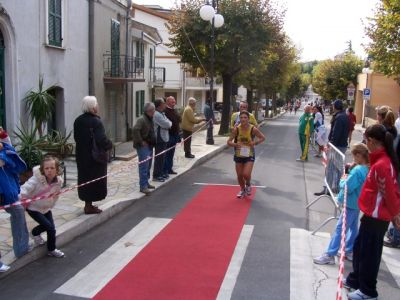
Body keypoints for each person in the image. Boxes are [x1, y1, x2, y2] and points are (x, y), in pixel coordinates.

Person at [344, 124, 400, 300]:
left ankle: (368, 291)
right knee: (360, 250)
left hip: (377, 217)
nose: (365, 144)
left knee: (369, 256)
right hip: (371, 215)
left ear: (372, 141)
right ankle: (356, 280)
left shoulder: (382, 164)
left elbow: (389, 193)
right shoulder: (379, 161)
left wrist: (396, 215)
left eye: (365, 140)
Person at [313, 144, 369, 265]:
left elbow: (346, 186)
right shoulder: (365, 169)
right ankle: (348, 250)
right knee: (353, 228)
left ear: (359, 156)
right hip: (356, 203)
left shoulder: (358, 170)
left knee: (340, 229)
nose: (353, 159)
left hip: (350, 203)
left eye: (354, 157)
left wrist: (343, 178)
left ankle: (330, 254)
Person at [74, 96, 113, 214]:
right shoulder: (96, 121)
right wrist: (109, 145)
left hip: (82, 156)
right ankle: (89, 207)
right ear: (92, 107)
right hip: (95, 158)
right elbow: (101, 139)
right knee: (95, 180)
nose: (98, 106)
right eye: (96, 104)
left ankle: (88, 204)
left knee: (85, 180)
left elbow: (77, 138)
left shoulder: (78, 120)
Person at [21, 156, 65, 258]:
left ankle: (51, 249)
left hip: (46, 208)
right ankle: (35, 233)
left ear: (57, 169)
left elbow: (56, 195)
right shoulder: (36, 179)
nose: (49, 170)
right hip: (34, 208)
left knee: (52, 229)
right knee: (48, 226)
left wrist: (51, 204)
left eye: (52, 168)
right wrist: (19, 199)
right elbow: (24, 189)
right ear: (42, 169)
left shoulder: (58, 181)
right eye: (46, 168)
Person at [0, 135, 30, 259]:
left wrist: (4, 146)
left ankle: (21, 249)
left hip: (9, 193)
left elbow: (20, 166)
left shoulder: (6, 150)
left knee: (18, 213)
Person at [314, 100, 350, 196]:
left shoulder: (338, 117)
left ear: (335, 106)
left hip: (336, 146)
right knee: (338, 168)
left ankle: (328, 188)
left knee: (330, 168)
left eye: (333, 105)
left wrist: (330, 145)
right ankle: (337, 187)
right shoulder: (345, 116)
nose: (332, 106)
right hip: (342, 145)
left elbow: (336, 133)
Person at [227, 111, 265, 198]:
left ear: (248, 119)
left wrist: (254, 143)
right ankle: (242, 189)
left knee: (246, 174)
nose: (243, 119)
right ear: (239, 119)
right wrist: (235, 144)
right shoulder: (236, 129)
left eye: (245, 117)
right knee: (240, 175)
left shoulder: (253, 129)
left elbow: (263, 138)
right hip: (238, 155)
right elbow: (228, 142)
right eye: (241, 117)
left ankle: (248, 184)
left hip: (249, 154)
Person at [133, 102, 156, 195]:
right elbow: (135, 130)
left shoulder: (150, 118)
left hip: (149, 145)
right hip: (143, 147)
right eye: (153, 110)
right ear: (149, 111)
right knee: (144, 166)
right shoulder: (142, 119)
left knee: (148, 165)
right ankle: (143, 186)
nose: (154, 112)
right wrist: (141, 141)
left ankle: (146, 183)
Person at [152, 98, 172, 182]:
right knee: (159, 158)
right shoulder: (157, 114)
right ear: (160, 105)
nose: (165, 104)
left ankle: (160, 173)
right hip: (160, 139)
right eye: (164, 103)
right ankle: (156, 175)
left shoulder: (162, 113)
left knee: (162, 158)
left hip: (164, 137)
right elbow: (167, 124)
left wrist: (168, 124)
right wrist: (168, 124)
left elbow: (169, 122)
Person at [163, 96, 181, 175]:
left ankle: (170, 169)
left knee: (171, 153)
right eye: (172, 100)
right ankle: (166, 170)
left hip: (175, 135)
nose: (174, 101)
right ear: (167, 102)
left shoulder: (175, 110)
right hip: (168, 135)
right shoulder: (165, 111)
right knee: (167, 154)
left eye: (174, 100)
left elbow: (179, 120)